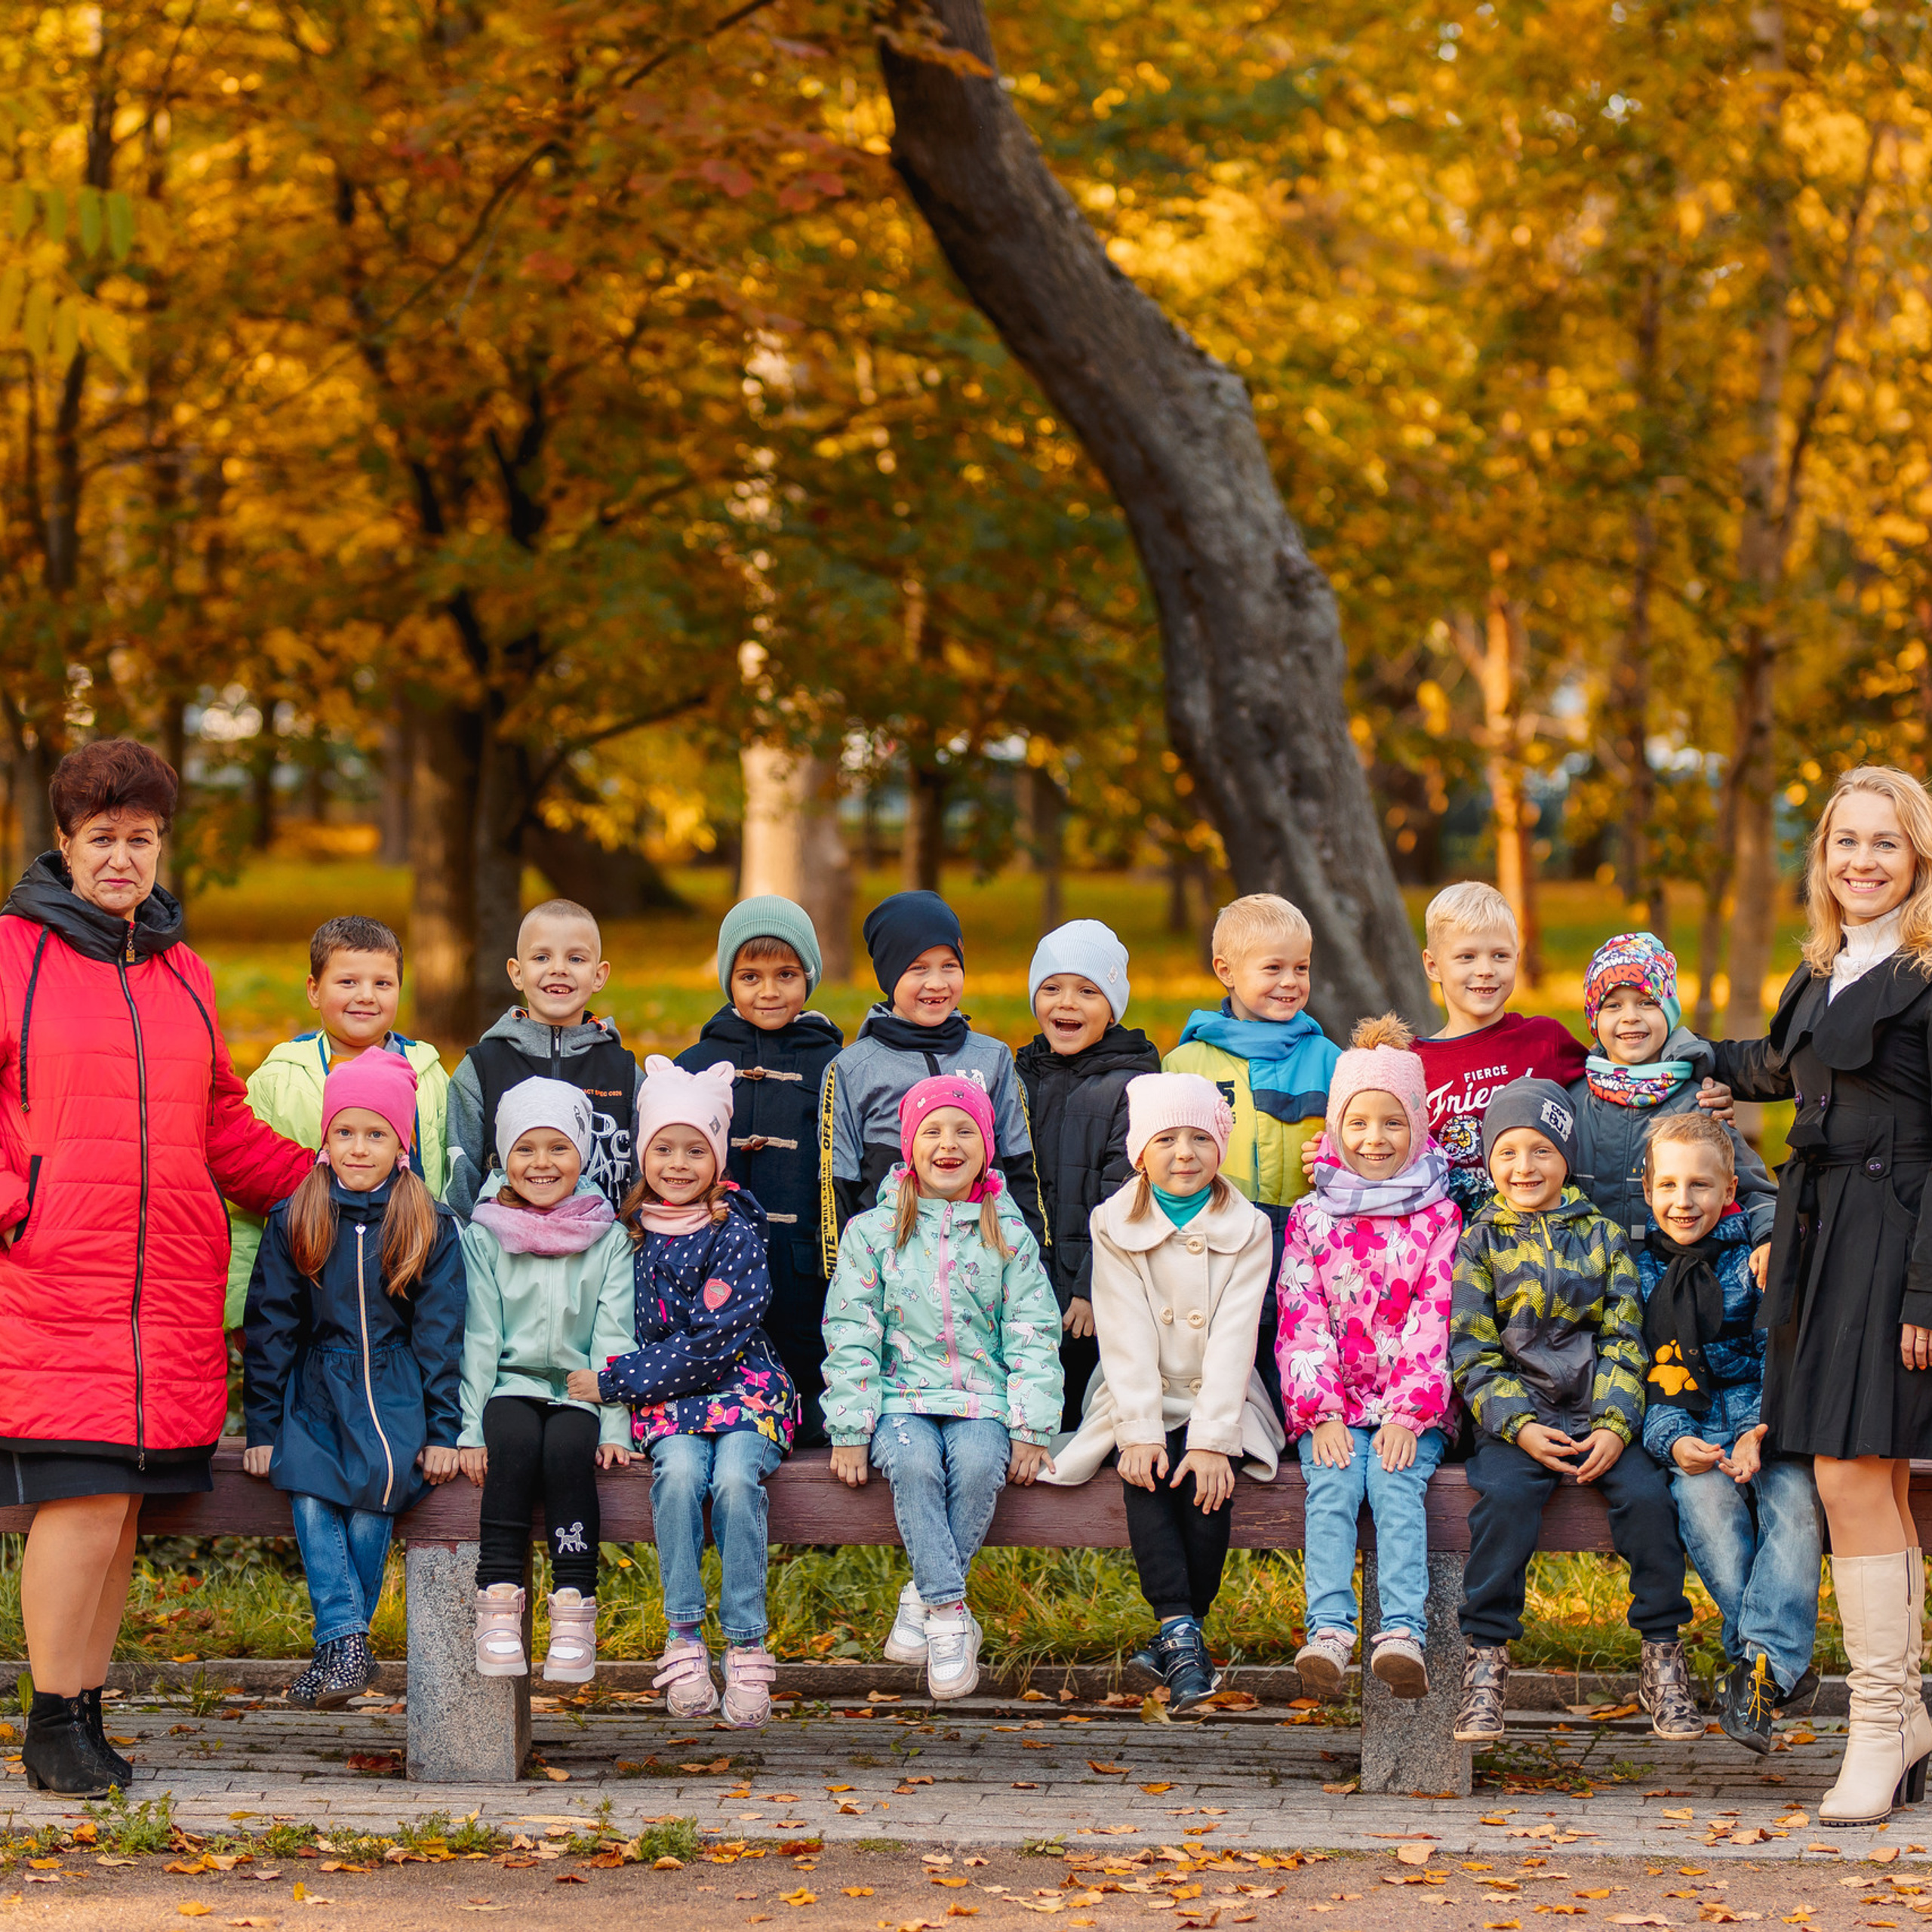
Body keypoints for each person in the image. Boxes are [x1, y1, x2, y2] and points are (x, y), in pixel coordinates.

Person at [0, 739, 314, 1794]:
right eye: (102, 839)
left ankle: (83, 1710)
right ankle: (49, 1719)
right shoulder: (12, 956)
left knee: (123, 1509)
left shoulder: (183, 971)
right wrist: (19, 1208)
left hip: (168, 1289)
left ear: (161, 843)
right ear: (64, 843)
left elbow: (219, 1120)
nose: (122, 859)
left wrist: (330, 1189)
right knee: (81, 1500)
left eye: (140, 839)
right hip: (57, 1281)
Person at [1698, 765, 1932, 1823]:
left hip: (1898, 1245)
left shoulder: (1928, 973)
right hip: (1821, 1240)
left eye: (1886, 843)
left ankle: (1878, 1725)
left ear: (1919, 858)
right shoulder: (1825, 969)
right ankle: (1905, 1715)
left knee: (1849, 1474)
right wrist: (1683, 1054)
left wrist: (1929, 1288)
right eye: (1846, 842)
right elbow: (1783, 1068)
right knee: (1866, 1483)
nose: (1863, 861)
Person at [1448, 1078, 1701, 1746]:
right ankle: (1486, 1663)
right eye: (1507, 1153)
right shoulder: (1479, 1242)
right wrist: (1521, 1427)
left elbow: (1625, 1337)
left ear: (1566, 1156)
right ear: (1488, 1160)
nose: (1524, 1168)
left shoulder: (1604, 1237)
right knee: (1501, 1502)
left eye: (1541, 1151)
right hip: (1517, 1421)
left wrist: (1617, 1426)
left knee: (1649, 1499)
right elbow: (1471, 1350)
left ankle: (1663, 1654)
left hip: (1598, 1417)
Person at [1045, 1072, 1281, 1711]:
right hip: (1134, 1388)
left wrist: (1210, 1440)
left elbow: (1235, 1340)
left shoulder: (1249, 1227)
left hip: (1222, 1392)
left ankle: (1176, 1636)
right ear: (1140, 1153)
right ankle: (1182, 1629)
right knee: (1147, 1472)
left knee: (1209, 1484)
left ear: (1220, 1147)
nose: (1185, 1153)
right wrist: (1141, 1430)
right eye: (1167, 1139)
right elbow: (1123, 1336)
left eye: (1201, 1138)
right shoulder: (1115, 1223)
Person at [822, 1075, 1062, 1702]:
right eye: (932, 1131)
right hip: (900, 1400)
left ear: (986, 1146)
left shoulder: (1008, 1236)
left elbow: (1033, 1330)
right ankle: (951, 1613)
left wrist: (1031, 1428)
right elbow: (850, 1331)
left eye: (964, 1131)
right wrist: (849, 1428)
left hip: (982, 1397)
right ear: (909, 1146)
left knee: (985, 1462)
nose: (948, 1144)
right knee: (914, 1462)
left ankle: (920, 1597)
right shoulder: (872, 1233)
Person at [242, 1051, 466, 1706]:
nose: (358, 1148)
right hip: (317, 1389)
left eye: (376, 1134)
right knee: (311, 1491)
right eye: (345, 1132)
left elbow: (440, 1333)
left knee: (376, 1498)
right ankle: (347, 1643)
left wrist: (444, 1429)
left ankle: (339, 1647)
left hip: (398, 1390)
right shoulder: (297, 1215)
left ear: (401, 1142)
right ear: (326, 1137)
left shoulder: (425, 1220)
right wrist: (262, 1425)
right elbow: (271, 1327)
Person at [591, 1057, 795, 1728]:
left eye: (695, 1149)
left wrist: (617, 1381)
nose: (678, 1164)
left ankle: (745, 1641)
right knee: (678, 1474)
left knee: (736, 1480)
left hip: (743, 1389)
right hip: (671, 1406)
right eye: (664, 1148)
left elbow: (717, 1340)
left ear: (718, 1155)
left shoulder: (734, 1229)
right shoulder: (629, 1236)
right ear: (643, 1151)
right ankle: (683, 1634)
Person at [1278, 1016, 1460, 1702]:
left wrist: (1410, 1416)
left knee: (1394, 1483)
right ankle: (1329, 1630)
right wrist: (1319, 1412)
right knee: (1329, 1486)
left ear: (1416, 1125)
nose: (1374, 1139)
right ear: (1334, 1128)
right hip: (1333, 1406)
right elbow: (1302, 1318)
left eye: (1392, 1124)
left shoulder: (1439, 1216)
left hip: (1412, 1409)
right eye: (1358, 1123)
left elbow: (1435, 1319)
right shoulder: (1311, 1217)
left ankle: (1402, 1633)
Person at [1634, 1112, 1820, 1755]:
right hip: (1696, 1435)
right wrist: (1672, 1440)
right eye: (1669, 1187)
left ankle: (1758, 1666)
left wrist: (1759, 1433)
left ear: (1730, 1190)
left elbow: (1781, 1353)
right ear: (1649, 1189)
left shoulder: (1757, 1258)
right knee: (1702, 1506)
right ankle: (1769, 1666)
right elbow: (1644, 1378)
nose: (1683, 1203)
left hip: (1772, 1426)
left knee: (1794, 1508)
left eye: (1700, 1187)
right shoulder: (1638, 1272)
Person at [457, 1079, 637, 1682]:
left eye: (558, 1148)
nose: (542, 1163)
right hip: (508, 1386)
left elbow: (615, 1337)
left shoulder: (607, 1237)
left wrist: (615, 1422)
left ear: (582, 1154)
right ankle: (499, 1599)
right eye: (525, 1149)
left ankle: (573, 1605)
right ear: (503, 1156)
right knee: (512, 1443)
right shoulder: (485, 1235)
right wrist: (468, 1431)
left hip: (579, 1390)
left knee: (566, 1451)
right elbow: (479, 1337)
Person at [672, 897, 841, 1448]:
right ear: (729, 980)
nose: (768, 991)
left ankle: (814, 1529)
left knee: (808, 1401)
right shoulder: (697, 1063)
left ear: (808, 977)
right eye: (750, 976)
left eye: (785, 975)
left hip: (804, 1262)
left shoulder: (834, 1065)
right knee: (729, 1385)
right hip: (716, 1261)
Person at [1164, 894, 1341, 1416]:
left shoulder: (1329, 1058)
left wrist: (1335, 1155)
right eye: (1274, 968)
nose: (1291, 982)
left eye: (1301, 968)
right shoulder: (1187, 1062)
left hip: (1306, 1234)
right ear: (1226, 971)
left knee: (1296, 1342)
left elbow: (1356, 1138)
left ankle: (1296, 1438)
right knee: (1229, 1342)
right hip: (1216, 1231)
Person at [226, 915, 451, 1326]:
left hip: (411, 1281)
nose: (366, 996)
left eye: (382, 984)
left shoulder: (430, 1076)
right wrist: (244, 1305)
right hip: (308, 1289)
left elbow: (451, 1181)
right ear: (314, 991)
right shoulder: (279, 1079)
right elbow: (244, 1201)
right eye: (348, 982)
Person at [818, 890, 1044, 1264]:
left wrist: (1036, 1263)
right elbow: (835, 1188)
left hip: (985, 1270)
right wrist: (840, 1279)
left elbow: (1022, 1167)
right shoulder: (852, 1069)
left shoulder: (994, 1058)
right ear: (890, 975)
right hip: (891, 1275)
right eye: (918, 968)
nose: (937, 983)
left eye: (949, 966)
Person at [1014, 919, 1160, 1432]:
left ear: (1113, 1004)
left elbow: (1127, 1193)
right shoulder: (1019, 1076)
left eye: (1087, 991)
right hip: (1025, 1286)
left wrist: (1091, 1286)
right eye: (1051, 989)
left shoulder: (1133, 1084)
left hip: (1095, 1295)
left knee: (1087, 1407)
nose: (1066, 1003)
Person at [1567, 931, 1774, 1260]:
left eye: (1647, 1002)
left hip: (1673, 1293)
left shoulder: (1699, 1103)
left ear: (1670, 1010)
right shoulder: (1572, 1103)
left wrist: (1768, 1237)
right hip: (1585, 1296)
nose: (1631, 1016)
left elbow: (1752, 1189)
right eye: (1613, 1005)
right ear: (1594, 1017)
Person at [445, 899, 644, 1217]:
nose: (559, 969)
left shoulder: (624, 1073)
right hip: (503, 1257)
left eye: (576, 958)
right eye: (542, 957)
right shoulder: (481, 1069)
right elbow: (461, 1178)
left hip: (603, 1256)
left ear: (598, 975)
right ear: (517, 973)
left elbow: (642, 1178)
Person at [1411, 882, 1589, 1217]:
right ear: (1433, 965)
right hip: (1449, 1245)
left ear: (1517, 960)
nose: (1486, 970)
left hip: (1541, 1239)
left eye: (1500, 956)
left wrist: (1710, 1084)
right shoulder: (1411, 1064)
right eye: (1467, 956)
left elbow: (1617, 1083)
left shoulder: (1544, 1039)